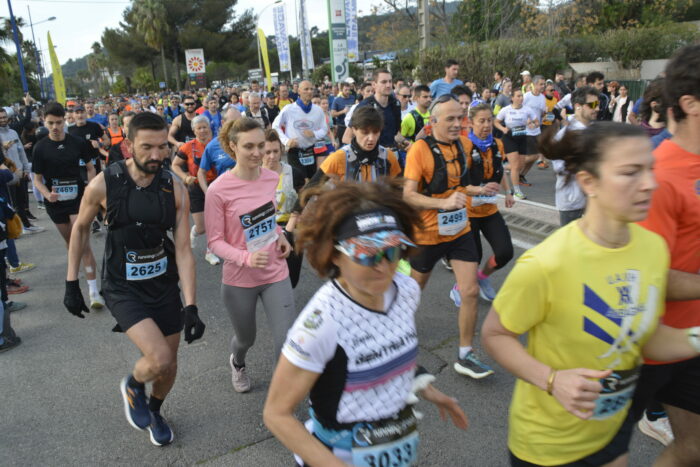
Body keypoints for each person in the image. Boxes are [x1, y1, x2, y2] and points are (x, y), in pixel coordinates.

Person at [482, 121, 700, 467]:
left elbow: (642, 335)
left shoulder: (653, 249)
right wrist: (552, 380)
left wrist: (695, 338)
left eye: (649, 169)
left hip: (611, 429)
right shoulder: (548, 262)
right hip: (547, 445)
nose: (650, 183)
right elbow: (495, 334)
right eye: (630, 172)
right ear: (589, 182)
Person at [263, 180, 468, 466]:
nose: (383, 266)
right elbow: (276, 414)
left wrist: (429, 390)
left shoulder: (406, 290)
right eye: (367, 254)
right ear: (335, 255)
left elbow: (391, 349)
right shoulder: (321, 323)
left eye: (392, 251)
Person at [63, 111, 204, 447]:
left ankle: (154, 411)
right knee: (159, 358)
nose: (156, 155)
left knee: (169, 366)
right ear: (128, 145)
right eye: (147, 147)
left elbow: (184, 251)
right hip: (123, 286)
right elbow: (80, 229)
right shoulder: (104, 183)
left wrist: (191, 305)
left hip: (162, 284)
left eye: (162, 147)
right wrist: (72, 283)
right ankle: (134, 384)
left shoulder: (174, 187)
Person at [631, 44, 700, 464]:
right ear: (690, 104)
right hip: (644, 347)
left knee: (694, 448)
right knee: (599, 455)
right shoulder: (657, 175)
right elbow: (646, 277)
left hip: (692, 341)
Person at [403, 95, 501, 379]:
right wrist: (442, 203)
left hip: (459, 229)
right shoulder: (420, 150)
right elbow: (408, 195)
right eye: (451, 119)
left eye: (461, 118)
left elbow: (459, 184)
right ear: (433, 122)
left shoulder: (463, 145)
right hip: (428, 233)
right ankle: (395, 340)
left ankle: (465, 354)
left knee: (469, 291)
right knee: (413, 294)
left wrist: (477, 190)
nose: (458, 124)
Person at [204, 117, 295, 394]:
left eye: (260, 145)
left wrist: (280, 236)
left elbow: (267, 219)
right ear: (233, 146)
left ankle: (282, 399)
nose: (257, 153)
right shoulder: (218, 190)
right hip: (240, 279)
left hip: (275, 271)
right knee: (246, 339)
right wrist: (246, 258)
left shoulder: (270, 178)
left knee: (287, 339)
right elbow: (215, 242)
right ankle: (238, 362)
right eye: (248, 147)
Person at [32, 103, 103, 308]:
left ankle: (93, 292)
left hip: (77, 199)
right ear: (44, 122)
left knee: (82, 242)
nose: (55, 127)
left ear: (65, 120)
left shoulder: (77, 143)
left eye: (58, 122)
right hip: (55, 202)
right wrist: (47, 194)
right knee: (71, 243)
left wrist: (89, 189)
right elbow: (37, 180)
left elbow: (91, 168)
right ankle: (78, 267)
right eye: (50, 123)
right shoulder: (40, 148)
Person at [450, 103, 515, 304]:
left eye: (489, 120)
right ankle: (459, 287)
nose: (486, 125)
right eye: (481, 121)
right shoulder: (462, 145)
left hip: (489, 210)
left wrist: (508, 191)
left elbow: (500, 169)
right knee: (472, 258)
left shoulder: (498, 144)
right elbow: (458, 183)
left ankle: (481, 277)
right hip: (468, 211)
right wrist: (479, 190)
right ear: (471, 123)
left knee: (505, 252)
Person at [171, 115, 219, 266]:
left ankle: (210, 252)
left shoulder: (218, 144)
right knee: (202, 227)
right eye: (199, 128)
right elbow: (175, 165)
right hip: (196, 187)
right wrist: (185, 177)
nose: (203, 130)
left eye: (205, 127)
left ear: (209, 128)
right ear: (194, 130)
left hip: (215, 185)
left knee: (215, 223)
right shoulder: (188, 147)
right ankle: (195, 231)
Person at [262, 129, 305, 288]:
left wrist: (294, 226)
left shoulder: (294, 173)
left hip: (291, 230)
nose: (272, 156)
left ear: (281, 150)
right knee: (268, 280)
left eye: (275, 151)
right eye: (267, 152)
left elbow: (304, 201)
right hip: (264, 234)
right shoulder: (253, 175)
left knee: (291, 280)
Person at [551, 86, 599, 226]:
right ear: (578, 106)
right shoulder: (566, 135)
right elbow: (560, 168)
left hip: (593, 200)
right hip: (573, 202)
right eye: (592, 105)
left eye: (598, 104)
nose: (597, 108)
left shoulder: (594, 131)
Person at [272, 80, 329, 179]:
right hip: (295, 151)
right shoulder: (289, 109)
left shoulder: (318, 110)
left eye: (311, 89)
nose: (309, 91)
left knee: (312, 180)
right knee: (299, 181)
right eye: (306, 89)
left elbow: (324, 129)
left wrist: (314, 134)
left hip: (311, 150)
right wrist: (286, 141)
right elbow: (275, 126)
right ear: (299, 91)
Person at [344, 69, 408, 156]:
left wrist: (405, 142)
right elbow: (346, 138)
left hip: (392, 155)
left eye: (390, 81)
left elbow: (395, 134)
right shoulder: (365, 105)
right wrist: (376, 149)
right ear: (374, 84)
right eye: (384, 82)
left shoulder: (395, 104)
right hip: (372, 157)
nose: (388, 85)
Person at [494, 90, 538, 200]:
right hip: (509, 138)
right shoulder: (506, 110)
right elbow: (496, 122)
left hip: (522, 138)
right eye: (518, 96)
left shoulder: (527, 109)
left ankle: (502, 167)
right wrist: (503, 129)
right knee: (515, 166)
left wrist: (533, 125)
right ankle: (517, 192)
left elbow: (537, 122)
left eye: (521, 96)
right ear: (512, 98)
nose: (521, 98)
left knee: (520, 165)